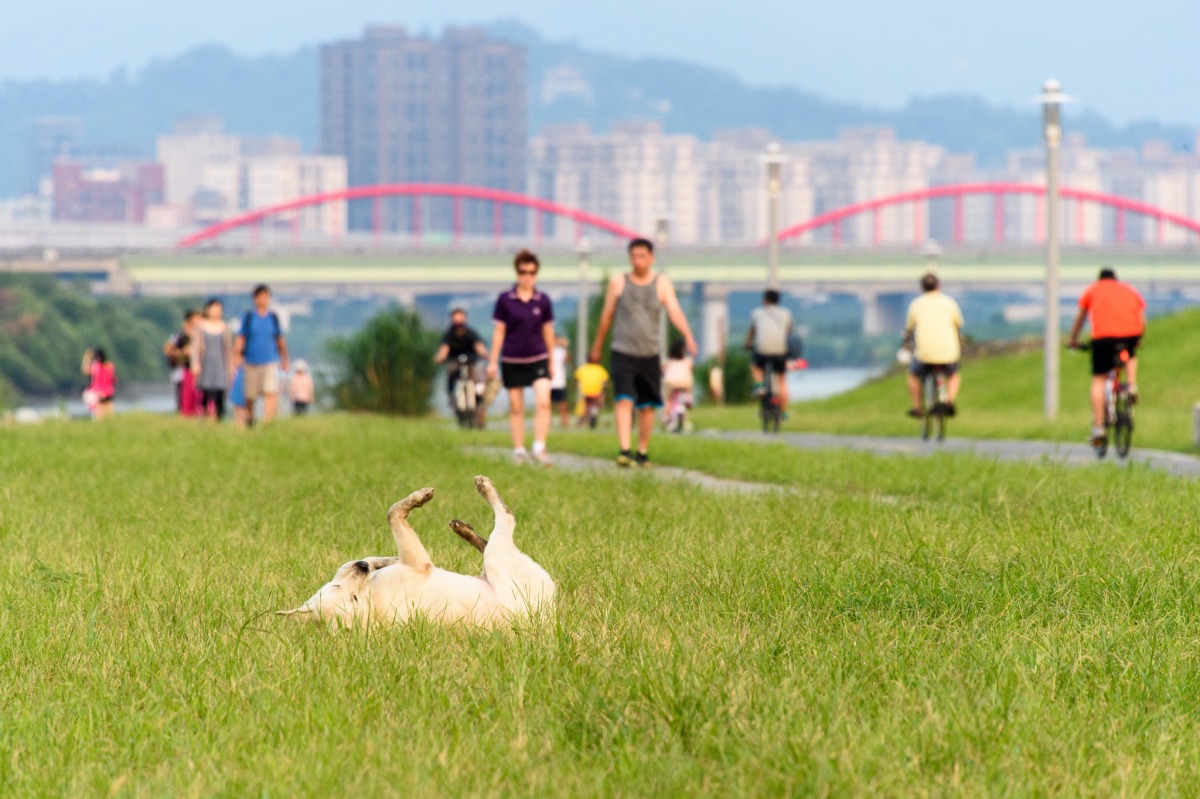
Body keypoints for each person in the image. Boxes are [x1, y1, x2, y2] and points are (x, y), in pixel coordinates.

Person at [590, 237, 698, 467]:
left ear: (651, 258)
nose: (638, 261)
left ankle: (642, 451)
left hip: (649, 353)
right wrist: (597, 344)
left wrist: (688, 336)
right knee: (623, 400)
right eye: (634, 256)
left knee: (647, 406)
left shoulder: (662, 284)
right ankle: (625, 450)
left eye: (642, 256)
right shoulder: (619, 282)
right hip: (622, 350)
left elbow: (675, 312)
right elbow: (606, 316)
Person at [487, 250, 556, 466]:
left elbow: (548, 332)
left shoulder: (542, 300)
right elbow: (499, 332)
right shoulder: (505, 299)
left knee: (544, 401)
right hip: (512, 358)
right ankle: (519, 450)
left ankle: (539, 447)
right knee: (516, 407)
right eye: (523, 272)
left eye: (532, 272)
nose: (527, 276)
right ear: (517, 272)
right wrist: (492, 361)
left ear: (536, 274)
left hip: (538, 356)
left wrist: (552, 360)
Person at [1068, 267, 1146, 445]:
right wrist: (1139, 338)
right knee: (1130, 354)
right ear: (1115, 279)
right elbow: (1142, 318)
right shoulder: (1128, 290)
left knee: (1099, 379)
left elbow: (1080, 319)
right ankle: (1132, 385)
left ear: (1100, 279)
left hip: (1103, 339)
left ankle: (1099, 428)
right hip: (1130, 335)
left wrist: (1073, 339)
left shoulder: (1093, 290)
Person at [903, 272, 964, 418]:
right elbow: (958, 325)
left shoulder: (916, 304)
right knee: (954, 375)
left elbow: (909, 330)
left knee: (913, 375)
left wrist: (906, 343)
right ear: (938, 286)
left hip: (924, 354)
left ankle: (917, 408)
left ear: (922, 288)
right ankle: (948, 400)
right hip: (948, 353)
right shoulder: (949, 302)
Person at [235, 284, 289, 426]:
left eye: (266, 297)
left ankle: (267, 422)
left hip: (270, 360)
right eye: (260, 297)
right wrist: (236, 355)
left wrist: (284, 358)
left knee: (270, 391)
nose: (263, 300)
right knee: (250, 395)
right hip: (251, 361)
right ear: (254, 299)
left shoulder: (273, 318)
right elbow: (241, 338)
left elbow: (280, 339)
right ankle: (250, 417)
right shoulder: (249, 317)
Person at [744, 288, 794, 416]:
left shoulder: (757, 313)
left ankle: (759, 385)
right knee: (782, 380)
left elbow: (752, 332)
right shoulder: (786, 313)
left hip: (762, 351)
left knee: (755, 366)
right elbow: (789, 332)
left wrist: (747, 344)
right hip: (780, 351)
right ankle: (783, 412)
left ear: (765, 300)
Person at [432, 307, 489, 418]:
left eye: (461, 320)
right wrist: (440, 357)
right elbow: (444, 349)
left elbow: (479, 346)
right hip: (455, 361)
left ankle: (479, 403)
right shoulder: (449, 335)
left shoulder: (471, 333)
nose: (459, 324)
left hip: (470, 362)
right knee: (451, 375)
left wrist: (484, 353)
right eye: (456, 320)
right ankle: (452, 398)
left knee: (477, 379)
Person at [191, 298, 235, 421]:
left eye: (219, 308)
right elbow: (196, 347)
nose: (216, 311)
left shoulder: (225, 327)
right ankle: (204, 416)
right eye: (214, 308)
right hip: (205, 363)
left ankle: (218, 417)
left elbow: (228, 348)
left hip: (221, 363)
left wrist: (231, 367)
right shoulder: (201, 327)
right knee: (205, 390)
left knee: (220, 391)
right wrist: (195, 363)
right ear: (208, 309)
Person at [164, 309, 200, 415]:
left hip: (199, 373)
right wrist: (182, 353)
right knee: (183, 401)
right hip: (182, 372)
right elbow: (167, 350)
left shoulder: (202, 335)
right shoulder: (179, 336)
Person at [662, 338, 695, 433]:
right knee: (686, 397)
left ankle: (666, 417)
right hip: (685, 384)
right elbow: (692, 369)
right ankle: (688, 401)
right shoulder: (687, 361)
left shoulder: (669, 361)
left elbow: (662, 369)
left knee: (669, 399)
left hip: (672, 384)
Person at [573, 357, 610, 428]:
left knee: (588, 407)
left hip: (589, 393)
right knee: (591, 407)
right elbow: (605, 382)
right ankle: (589, 418)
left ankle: (586, 419)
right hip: (594, 393)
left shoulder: (584, 368)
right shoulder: (599, 369)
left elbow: (577, 379)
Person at [82, 348, 116, 420]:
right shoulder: (110, 366)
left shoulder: (96, 367)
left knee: (99, 419)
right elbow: (113, 379)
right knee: (110, 419)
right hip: (109, 393)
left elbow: (85, 370)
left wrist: (87, 358)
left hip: (99, 394)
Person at [550, 336, 571, 428]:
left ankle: (565, 423)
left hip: (559, 381)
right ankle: (547, 423)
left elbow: (567, 359)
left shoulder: (560, 351)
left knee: (563, 405)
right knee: (547, 405)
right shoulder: (546, 350)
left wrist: (565, 347)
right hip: (548, 382)